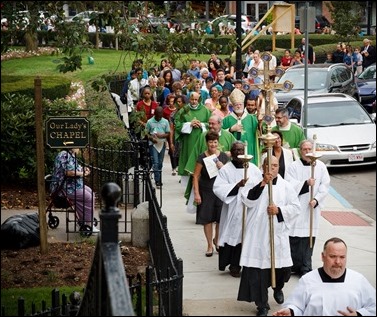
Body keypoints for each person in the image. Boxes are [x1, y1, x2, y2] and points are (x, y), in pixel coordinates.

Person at [237, 155, 300, 316]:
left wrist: (279, 210)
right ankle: (262, 305)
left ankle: (278, 287)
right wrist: (263, 183)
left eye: (275, 165)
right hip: (258, 234)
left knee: (284, 269)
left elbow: (295, 207)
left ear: (279, 167)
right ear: (263, 167)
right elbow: (247, 200)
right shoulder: (254, 182)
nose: (272, 169)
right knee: (258, 272)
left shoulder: (286, 186)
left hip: (278, 233)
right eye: (268, 165)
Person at [272, 237, 376, 316]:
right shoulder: (308, 280)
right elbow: (296, 306)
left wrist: (359, 314)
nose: (338, 262)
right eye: (333, 256)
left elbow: (373, 306)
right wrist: (291, 311)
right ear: (323, 256)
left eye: (342, 257)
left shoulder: (358, 280)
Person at [213, 141, 263, 278]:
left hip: (250, 209)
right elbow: (218, 188)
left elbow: (260, 186)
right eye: (236, 150)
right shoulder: (226, 170)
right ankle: (234, 265)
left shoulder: (253, 169)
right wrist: (237, 186)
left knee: (248, 237)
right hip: (234, 209)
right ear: (231, 152)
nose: (239, 153)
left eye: (241, 150)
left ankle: (247, 265)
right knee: (234, 237)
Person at [285, 139, 331, 277]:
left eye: (309, 149)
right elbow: (289, 184)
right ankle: (293, 266)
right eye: (304, 149)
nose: (307, 152)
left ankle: (306, 266)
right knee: (294, 237)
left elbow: (325, 185)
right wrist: (305, 184)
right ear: (300, 151)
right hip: (298, 205)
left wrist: (316, 199)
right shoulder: (293, 166)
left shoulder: (321, 166)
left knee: (308, 238)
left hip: (312, 208)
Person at [192, 131, 230, 257]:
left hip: (220, 191)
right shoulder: (202, 157)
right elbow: (196, 176)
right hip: (206, 191)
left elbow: (229, 175)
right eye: (210, 142)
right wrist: (196, 193)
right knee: (207, 219)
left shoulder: (224, 156)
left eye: (215, 142)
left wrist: (222, 166)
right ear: (206, 143)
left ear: (218, 142)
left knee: (220, 219)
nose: (213, 144)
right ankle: (209, 245)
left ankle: (217, 240)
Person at [50, 149, 99, 233]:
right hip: (64, 188)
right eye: (78, 148)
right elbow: (69, 172)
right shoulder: (64, 155)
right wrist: (82, 174)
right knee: (88, 197)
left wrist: (84, 169)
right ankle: (88, 223)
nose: (79, 150)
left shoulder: (70, 155)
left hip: (73, 186)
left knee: (90, 192)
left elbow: (76, 168)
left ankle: (84, 219)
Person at [174, 92, 211, 183]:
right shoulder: (183, 110)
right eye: (192, 99)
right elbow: (177, 124)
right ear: (189, 99)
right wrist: (189, 124)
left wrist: (201, 124)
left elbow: (210, 123)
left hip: (201, 139)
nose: (194, 102)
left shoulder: (205, 110)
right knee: (189, 157)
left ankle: (201, 179)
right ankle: (189, 182)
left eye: (196, 99)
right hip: (188, 140)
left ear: (199, 99)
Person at [222, 88, 260, 166]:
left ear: (244, 105)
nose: (238, 106)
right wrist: (231, 129)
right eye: (236, 105)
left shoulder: (252, 119)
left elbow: (260, 131)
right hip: (233, 154)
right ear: (232, 105)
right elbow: (220, 134)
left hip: (249, 150)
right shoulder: (226, 119)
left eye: (240, 104)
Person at [145, 106, 170, 189]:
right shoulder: (150, 122)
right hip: (153, 144)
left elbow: (168, 133)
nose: (159, 117)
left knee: (160, 163)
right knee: (155, 162)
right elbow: (146, 133)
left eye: (161, 115)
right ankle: (157, 181)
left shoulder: (165, 121)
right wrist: (151, 138)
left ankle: (159, 177)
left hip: (162, 143)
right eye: (158, 116)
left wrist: (162, 135)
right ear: (154, 114)